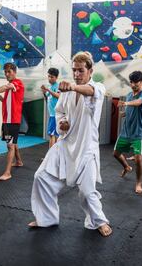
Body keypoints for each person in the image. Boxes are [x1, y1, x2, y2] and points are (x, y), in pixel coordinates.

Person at [28, 51, 112, 237]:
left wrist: (73, 87)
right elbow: (60, 112)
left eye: (80, 70)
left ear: (90, 71)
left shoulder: (97, 87)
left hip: (86, 147)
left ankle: (99, 221)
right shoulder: (66, 93)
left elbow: (91, 92)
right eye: (74, 70)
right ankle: (46, 218)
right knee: (41, 177)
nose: (76, 74)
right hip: (65, 144)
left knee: (87, 191)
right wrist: (62, 123)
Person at [0, 63, 25, 181]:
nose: (7, 74)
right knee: (13, 142)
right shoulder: (11, 87)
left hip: (12, 121)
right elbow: (12, 101)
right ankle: (18, 161)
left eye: (9, 72)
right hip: (7, 121)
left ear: (14, 72)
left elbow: (6, 87)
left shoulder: (17, 83)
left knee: (10, 145)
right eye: (5, 72)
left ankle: (7, 173)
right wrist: (3, 100)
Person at [113, 71, 142, 194]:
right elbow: (130, 109)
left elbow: (138, 103)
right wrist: (124, 113)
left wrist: (126, 103)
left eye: (136, 82)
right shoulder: (129, 95)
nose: (133, 85)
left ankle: (138, 183)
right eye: (132, 82)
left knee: (138, 159)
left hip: (138, 133)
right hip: (126, 132)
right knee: (116, 154)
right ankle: (127, 167)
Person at [41, 68, 60, 148]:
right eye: (48, 76)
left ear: (56, 77)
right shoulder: (50, 86)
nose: (49, 78)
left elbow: (59, 96)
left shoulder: (58, 86)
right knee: (53, 135)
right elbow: (47, 99)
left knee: (52, 135)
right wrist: (44, 93)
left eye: (52, 77)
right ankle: (53, 156)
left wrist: (48, 90)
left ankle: (51, 157)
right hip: (52, 115)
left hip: (56, 115)